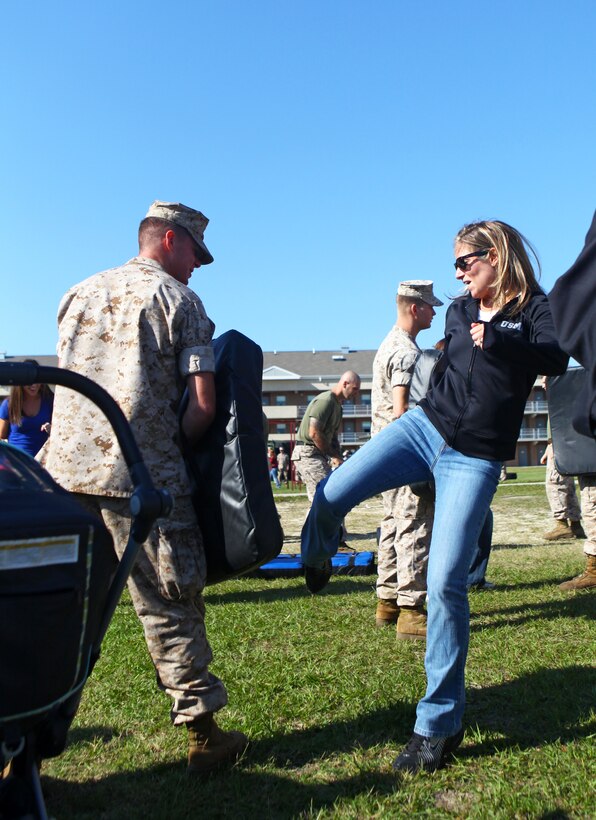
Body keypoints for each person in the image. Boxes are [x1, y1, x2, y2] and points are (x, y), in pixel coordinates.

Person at [301, 220, 568, 772]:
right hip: (424, 428)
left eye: (465, 262)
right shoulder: (459, 310)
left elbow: (553, 357)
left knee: (445, 580)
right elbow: (454, 361)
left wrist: (499, 340)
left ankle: (437, 726)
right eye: (455, 264)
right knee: (332, 493)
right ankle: (317, 550)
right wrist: (480, 336)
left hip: (475, 457)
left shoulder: (534, 311)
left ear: (495, 255)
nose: (458, 273)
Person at [43, 200, 247, 775]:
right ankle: (205, 736)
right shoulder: (178, 301)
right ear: (170, 240)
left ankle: (25, 750)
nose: (197, 268)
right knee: (170, 604)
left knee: (64, 615)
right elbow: (203, 406)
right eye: (195, 255)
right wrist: (171, 451)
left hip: (65, 478)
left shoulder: (75, 294)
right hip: (143, 480)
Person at [372, 280, 443, 639]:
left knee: (391, 523)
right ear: (415, 307)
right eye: (430, 305)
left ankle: (386, 600)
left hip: (385, 453)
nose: (434, 311)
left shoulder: (389, 343)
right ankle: (411, 611)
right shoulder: (407, 352)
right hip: (405, 452)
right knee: (414, 526)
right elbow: (401, 409)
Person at [291, 370, 361, 504]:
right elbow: (314, 433)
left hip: (320, 454)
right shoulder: (326, 400)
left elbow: (333, 437)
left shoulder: (337, 406)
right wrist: (333, 456)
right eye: (355, 389)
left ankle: (326, 525)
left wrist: (339, 457)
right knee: (326, 497)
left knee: (330, 497)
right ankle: (322, 525)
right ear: (345, 384)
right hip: (308, 454)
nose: (356, 394)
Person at [0, 360, 53, 456]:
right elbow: (1, 435)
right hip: (17, 462)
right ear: (20, 381)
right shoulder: (9, 404)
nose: (34, 385)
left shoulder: (50, 402)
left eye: (37, 380)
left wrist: (52, 429)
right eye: (29, 381)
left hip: (44, 462)